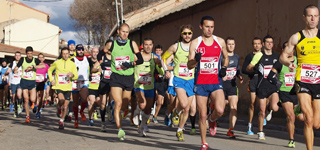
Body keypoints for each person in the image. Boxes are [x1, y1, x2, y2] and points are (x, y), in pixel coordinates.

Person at [280, 5, 320, 150]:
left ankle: (301, 110)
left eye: (315, 15)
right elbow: (283, 57)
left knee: (316, 123)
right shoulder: (297, 37)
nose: (313, 19)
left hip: (318, 82)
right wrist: (289, 63)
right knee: (308, 120)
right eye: (310, 16)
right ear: (304, 17)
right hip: (302, 80)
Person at [187, 16, 228, 149]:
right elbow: (189, 65)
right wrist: (195, 60)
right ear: (201, 26)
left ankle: (212, 120)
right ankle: (204, 142)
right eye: (207, 27)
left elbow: (226, 58)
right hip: (201, 83)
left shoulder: (220, 41)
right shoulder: (195, 43)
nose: (209, 29)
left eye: (212, 27)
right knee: (202, 114)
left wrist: (224, 68)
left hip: (216, 81)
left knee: (220, 110)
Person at [103, 23, 143, 140]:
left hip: (128, 77)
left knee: (125, 106)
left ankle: (113, 107)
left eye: (127, 32)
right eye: (123, 31)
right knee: (119, 103)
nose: (125, 34)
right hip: (116, 77)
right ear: (118, 32)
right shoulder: (112, 44)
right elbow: (103, 52)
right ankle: (120, 129)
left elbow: (140, 60)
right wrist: (102, 60)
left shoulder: (132, 44)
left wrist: (130, 64)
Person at [162, 24, 195, 141]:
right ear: (181, 34)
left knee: (187, 109)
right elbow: (163, 58)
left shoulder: (195, 46)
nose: (187, 36)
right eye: (185, 33)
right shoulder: (175, 47)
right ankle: (176, 111)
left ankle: (180, 130)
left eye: (189, 33)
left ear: (192, 34)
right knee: (184, 104)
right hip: (179, 79)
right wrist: (166, 70)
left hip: (191, 80)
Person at [267, 41, 304, 148]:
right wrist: (276, 82)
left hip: (297, 93)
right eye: (287, 48)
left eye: (292, 48)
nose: (290, 50)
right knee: (291, 116)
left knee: (300, 117)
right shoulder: (279, 63)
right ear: (283, 50)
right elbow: (270, 76)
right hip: (284, 92)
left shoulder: (299, 61)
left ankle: (286, 117)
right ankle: (291, 140)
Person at [246, 35, 280, 140]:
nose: (269, 44)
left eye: (271, 42)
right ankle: (260, 131)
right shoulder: (259, 55)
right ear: (263, 44)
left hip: (272, 86)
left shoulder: (277, 56)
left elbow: (282, 67)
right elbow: (248, 68)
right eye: (267, 42)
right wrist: (253, 68)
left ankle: (270, 111)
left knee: (275, 107)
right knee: (261, 110)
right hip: (261, 86)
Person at [134, 38, 163, 137]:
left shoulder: (155, 57)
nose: (148, 47)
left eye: (150, 45)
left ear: (152, 45)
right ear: (143, 45)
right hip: (139, 85)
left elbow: (161, 72)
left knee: (148, 110)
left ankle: (142, 127)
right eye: (146, 45)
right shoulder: (137, 56)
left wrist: (159, 65)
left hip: (150, 86)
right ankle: (136, 112)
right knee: (142, 104)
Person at [48, 47, 78, 129]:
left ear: (69, 54)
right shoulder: (57, 62)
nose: (65, 55)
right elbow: (50, 70)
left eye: (67, 53)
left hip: (68, 87)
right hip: (59, 86)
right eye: (64, 53)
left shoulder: (72, 64)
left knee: (65, 107)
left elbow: (76, 76)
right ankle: (58, 107)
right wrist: (51, 80)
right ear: (61, 54)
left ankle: (61, 121)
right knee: (61, 100)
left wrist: (72, 75)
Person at [14, 46, 45, 123]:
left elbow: (43, 65)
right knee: (25, 99)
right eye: (28, 53)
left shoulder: (35, 60)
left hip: (32, 82)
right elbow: (16, 67)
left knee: (33, 99)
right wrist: (15, 69)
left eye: (31, 53)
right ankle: (27, 116)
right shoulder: (22, 60)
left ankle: (33, 104)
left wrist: (34, 67)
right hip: (24, 81)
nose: (30, 55)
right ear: (26, 53)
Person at [222, 37, 243, 138]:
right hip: (222, 85)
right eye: (229, 44)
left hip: (232, 85)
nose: (231, 46)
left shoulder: (237, 57)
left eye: (232, 44)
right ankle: (212, 111)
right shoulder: (221, 57)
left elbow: (237, 69)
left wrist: (240, 76)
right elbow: (216, 70)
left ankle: (231, 130)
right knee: (221, 107)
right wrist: (222, 75)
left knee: (234, 107)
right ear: (226, 45)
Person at [242, 37, 262, 135]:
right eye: (255, 44)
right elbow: (244, 70)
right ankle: (250, 124)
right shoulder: (249, 56)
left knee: (264, 103)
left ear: (261, 45)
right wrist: (254, 70)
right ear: (252, 45)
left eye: (258, 43)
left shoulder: (264, 56)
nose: (257, 45)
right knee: (252, 103)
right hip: (253, 80)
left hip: (263, 81)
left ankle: (263, 113)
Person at [71, 44, 90, 128]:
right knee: (75, 102)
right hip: (75, 82)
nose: (81, 51)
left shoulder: (87, 59)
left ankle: (81, 111)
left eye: (82, 49)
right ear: (76, 51)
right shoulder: (72, 60)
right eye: (79, 49)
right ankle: (76, 120)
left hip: (84, 81)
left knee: (84, 99)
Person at [152, 44, 167, 123]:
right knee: (154, 97)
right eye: (156, 50)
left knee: (160, 102)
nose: (158, 52)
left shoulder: (164, 59)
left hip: (162, 82)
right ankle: (148, 113)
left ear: (162, 51)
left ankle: (155, 116)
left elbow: (168, 67)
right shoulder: (153, 59)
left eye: (159, 50)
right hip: (154, 81)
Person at [6, 52, 23, 117]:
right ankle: (16, 109)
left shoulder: (22, 63)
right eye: (16, 55)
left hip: (20, 81)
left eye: (19, 55)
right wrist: (7, 73)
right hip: (13, 82)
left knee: (19, 95)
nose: (17, 57)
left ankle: (19, 105)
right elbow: (8, 70)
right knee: (14, 98)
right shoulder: (12, 63)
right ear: (14, 56)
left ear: (20, 56)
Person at [87, 47, 101, 126]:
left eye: (97, 52)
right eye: (94, 52)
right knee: (91, 102)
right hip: (91, 85)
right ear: (91, 53)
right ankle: (91, 119)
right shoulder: (88, 61)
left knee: (99, 102)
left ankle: (95, 110)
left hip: (99, 86)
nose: (95, 53)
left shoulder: (101, 62)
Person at [35, 53, 49, 118]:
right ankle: (35, 105)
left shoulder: (46, 66)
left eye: (42, 57)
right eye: (39, 57)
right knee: (34, 96)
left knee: (41, 97)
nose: (40, 59)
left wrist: (48, 78)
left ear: (44, 59)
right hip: (35, 81)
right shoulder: (35, 65)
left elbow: (49, 73)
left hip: (42, 82)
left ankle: (38, 110)